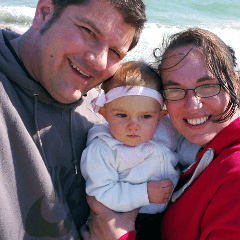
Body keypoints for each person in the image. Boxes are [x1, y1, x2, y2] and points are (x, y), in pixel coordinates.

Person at [0, 0, 146, 239]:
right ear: (44, 13)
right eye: (88, 31)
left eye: (115, 52)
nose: (99, 61)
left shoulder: (104, 119)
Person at [82, 28, 240, 240]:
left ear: (235, 85)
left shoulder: (235, 172)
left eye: (207, 86)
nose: (192, 105)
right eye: (175, 91)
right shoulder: (197, 143)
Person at [80, 61, 200, 239]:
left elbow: (185, 148)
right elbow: (101, 192)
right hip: (128, 218)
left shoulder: (166, 131)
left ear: (161, 115)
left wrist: (201, 154)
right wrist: (144, 193)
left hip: (167, 212)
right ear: (104, 113)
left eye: (145, 116)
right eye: (122, 115)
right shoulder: (102, 148)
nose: (134, 126)